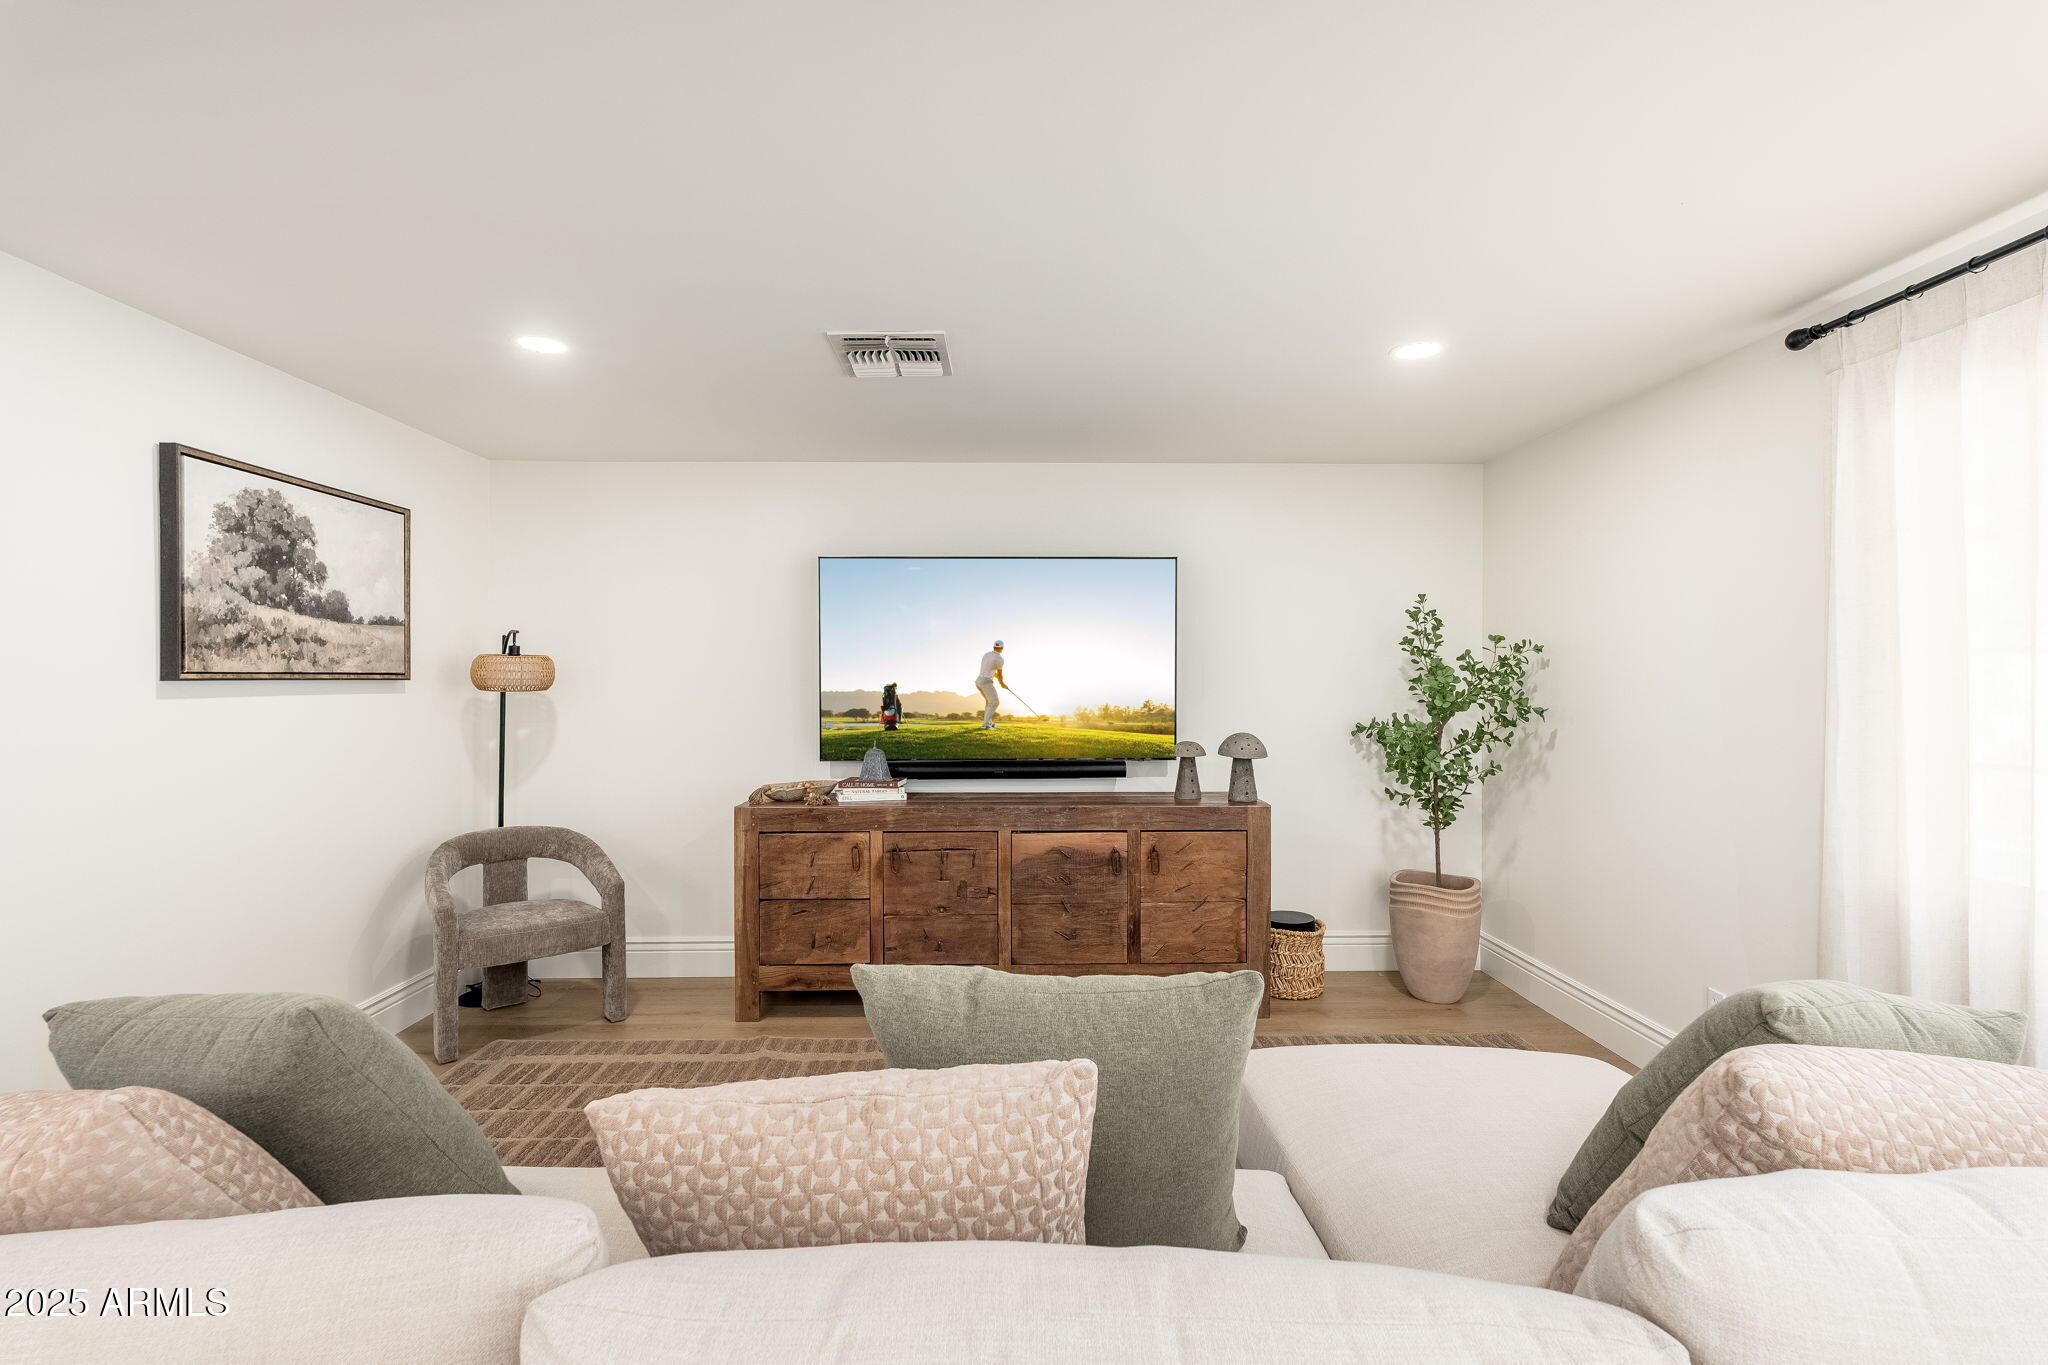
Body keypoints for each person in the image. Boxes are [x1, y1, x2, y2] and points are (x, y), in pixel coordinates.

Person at [975, 639, 1006, 730]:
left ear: (993, 646)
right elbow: (999, 674)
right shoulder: (999, 659)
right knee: (995, 702)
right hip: (986, 682)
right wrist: (1002, 683)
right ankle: (985, 725)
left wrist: (998, 679)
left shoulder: (986, 654)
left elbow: (989, 670)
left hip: (978, 681)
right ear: (1002, 648)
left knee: (989, 702)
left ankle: (990, 723)